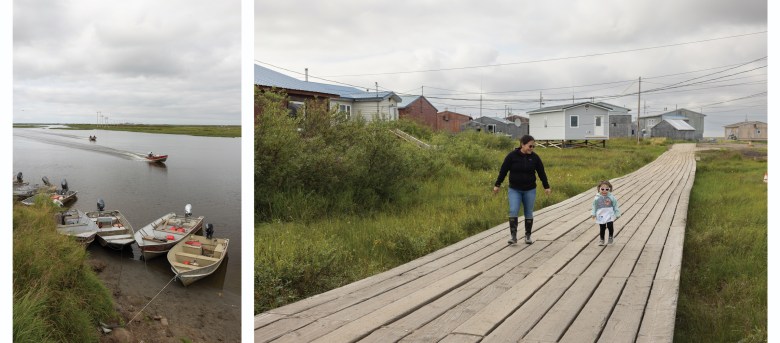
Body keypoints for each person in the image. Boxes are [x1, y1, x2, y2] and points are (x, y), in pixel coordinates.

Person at [493, 135, 551, 244]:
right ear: (522, 145)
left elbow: (541, 173)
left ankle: (528, 236)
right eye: (530, 146)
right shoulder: (511, 156)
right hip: (515, 189)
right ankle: (513, 237)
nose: (532, 148)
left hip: (530, 189)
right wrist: (497, 185)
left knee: (528, 212)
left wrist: (546, 186)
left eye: (533, 146)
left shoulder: (535, 158)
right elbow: (503, 171)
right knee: (513, 210)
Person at [591, 180, 620, 246]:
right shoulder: (597, 198)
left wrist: (617, 213)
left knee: (610, 226)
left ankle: (610, 237)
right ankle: (602, 239)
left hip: (609, 213)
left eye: (607, 189)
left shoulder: (611, 197)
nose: (604, 191)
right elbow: (594, 206)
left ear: (609, 189)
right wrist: (593, 213)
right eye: (602, 189)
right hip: (600, 214)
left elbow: (615, 205)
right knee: (602, 227)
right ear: (599, 189)